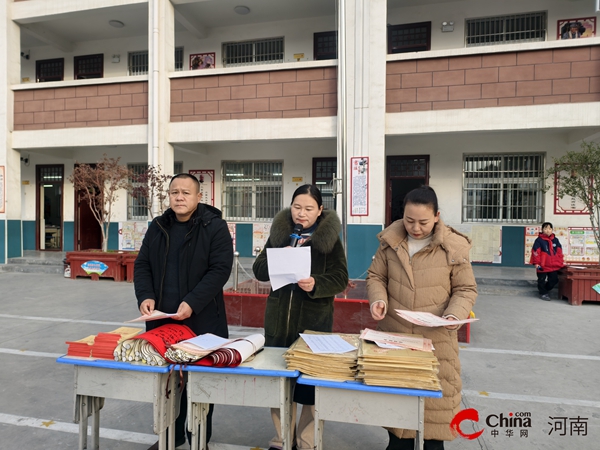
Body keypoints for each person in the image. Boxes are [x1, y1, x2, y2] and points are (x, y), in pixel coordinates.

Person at [366, 186, 477, 450]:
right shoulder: (390, 242)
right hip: (396, 338)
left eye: (423, 222)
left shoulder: (453, 246)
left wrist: (454, 314)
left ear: (437, 216)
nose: (416, 228)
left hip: (437, 343)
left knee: (434, 425)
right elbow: (376, 277)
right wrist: (378, 299)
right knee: (398, 430)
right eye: (409, 220)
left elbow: (465, 289)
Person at [134, 173, 233, 450]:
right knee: (167, 383)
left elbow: (220, 270)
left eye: (186, 193)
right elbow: (142, 265)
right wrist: (145, 296)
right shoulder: (158, 226)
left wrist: (192, 301)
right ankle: (170, 436)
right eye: (174, 192)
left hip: (203, 320)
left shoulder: (214, 227)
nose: (179, 197)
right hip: (162, 322)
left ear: (199, 197)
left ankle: (199, 440)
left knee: (200, 383)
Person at [252, 184, 349, 450]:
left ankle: (307, 441)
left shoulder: (329, 240)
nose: (301, 214)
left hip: (312, 323)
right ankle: (282, 438)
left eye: (308, 209)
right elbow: (259, 269)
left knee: (309, 386)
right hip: (278, 321)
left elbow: (341, 278)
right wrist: (279, 257)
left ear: (320, 210)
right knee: (279, 383)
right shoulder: (281, 234)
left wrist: (316, 283)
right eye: (297, 207)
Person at [530, 222, 564, 301]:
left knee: (554, 280)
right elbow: (535, 252)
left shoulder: (555, 240)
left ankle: (544, 290)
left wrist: (560, 262)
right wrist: (536, 263)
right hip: (542, 265)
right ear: (542, 230)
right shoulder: (539, 240)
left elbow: (559, 252)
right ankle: (543, 293)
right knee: (541, 280)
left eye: (549, 228)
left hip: (553, 265)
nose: (547, 230)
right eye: (545, 228)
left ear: (552, 230)